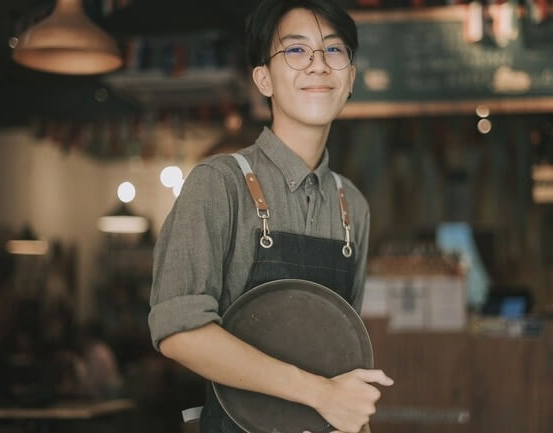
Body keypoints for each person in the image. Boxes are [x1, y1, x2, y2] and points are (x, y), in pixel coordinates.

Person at [148, 1, 393, 432]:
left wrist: (350, 411)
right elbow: (179, 331)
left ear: (350, 78)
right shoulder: (218, 183)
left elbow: (342, 351)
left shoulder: (352, 204)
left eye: (334, 51)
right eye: (296, 51)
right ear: (263, 78)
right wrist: (321, 394)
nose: (318, 66)